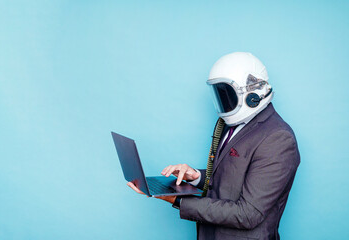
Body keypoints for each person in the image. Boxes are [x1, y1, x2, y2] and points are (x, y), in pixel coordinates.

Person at [128, 52, 300, 240]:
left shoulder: (278, 139)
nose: (223, 100)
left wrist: (177, 200)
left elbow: (248, 214)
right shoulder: (233, 125)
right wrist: (196, 176)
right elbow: (229, 180)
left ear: (253, 94)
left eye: (227, 93)